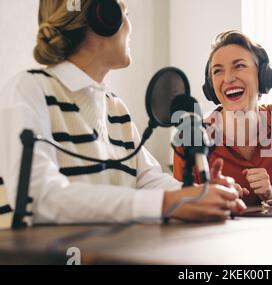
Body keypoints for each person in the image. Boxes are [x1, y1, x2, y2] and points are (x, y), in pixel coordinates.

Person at [0, 0, 246, 225]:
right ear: (102, 16)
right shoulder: (29, 89)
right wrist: (171, 203)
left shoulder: (115, 107)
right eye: (124, 13)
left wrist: (201, 194)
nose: (130, 25)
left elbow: (147, 181)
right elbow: (39, 197)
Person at [173, 30, 272, 206]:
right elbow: (180, 201)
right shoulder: (191, 136)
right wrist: (211, 195)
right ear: (210, 87)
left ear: (263, 76)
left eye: (239, 66)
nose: (228, 78)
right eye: (218, 71)